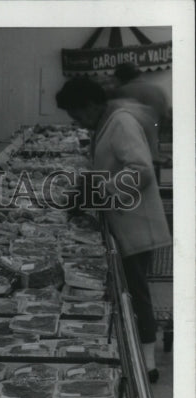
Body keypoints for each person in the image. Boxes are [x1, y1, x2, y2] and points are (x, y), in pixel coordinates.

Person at [56, 77, 170, 381]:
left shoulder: (121, 123)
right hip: (123, 216)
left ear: (91, 106)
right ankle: (138, 353)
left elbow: (141, 171)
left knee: (136, 291)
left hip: (135, 221)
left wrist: (100, 187)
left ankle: (148, 362)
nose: (78, 122)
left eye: (77, 115)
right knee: (131, 290)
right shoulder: (107, 120)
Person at [110, 64, 171, 177]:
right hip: (154, 142)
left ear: (120, 78)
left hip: (131, 145)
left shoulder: (120, 91)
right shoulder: (157, 89)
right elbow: (165, 118)